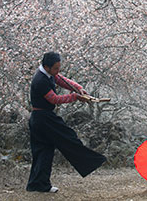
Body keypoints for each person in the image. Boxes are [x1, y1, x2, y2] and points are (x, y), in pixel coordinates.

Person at [26, 51, 106, 193]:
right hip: (43, 118)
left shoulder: (49, 74)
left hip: (41, 118)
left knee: (45, 151)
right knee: (68, 137)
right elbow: (55, 100)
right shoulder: (40, 80)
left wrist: (79, 88)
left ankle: (38, 184)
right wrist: (75, 97)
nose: (58, 71)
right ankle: (91, 161)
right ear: (47, 66)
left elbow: (62, 80)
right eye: (56, 68)